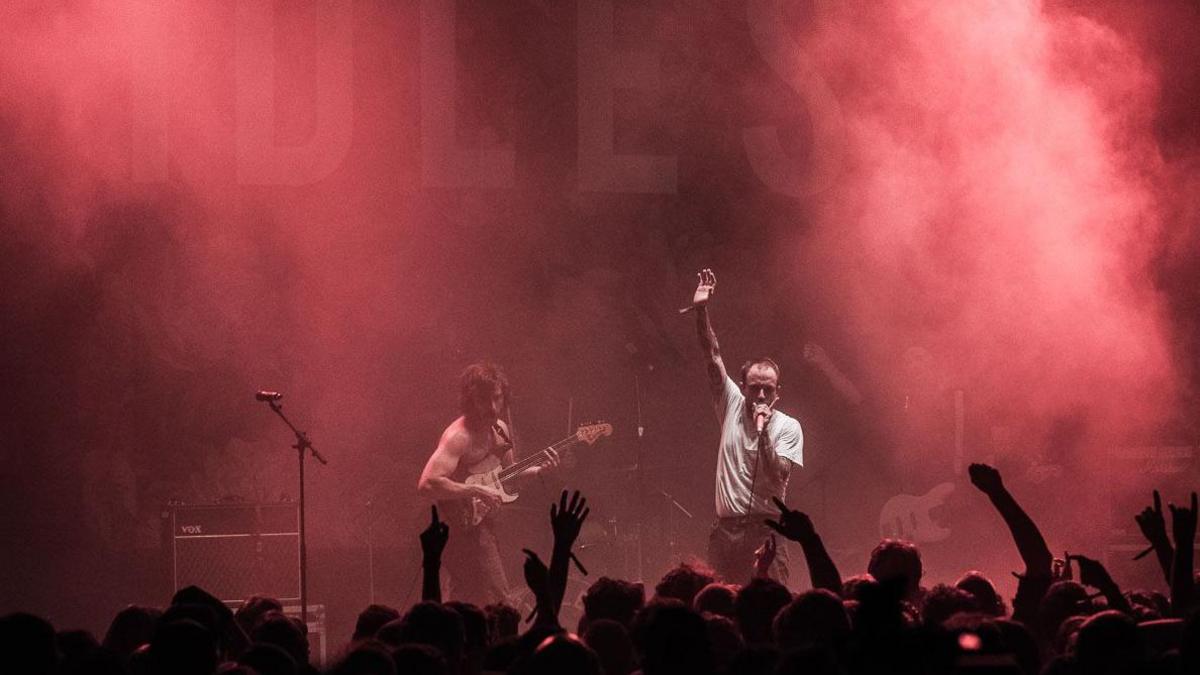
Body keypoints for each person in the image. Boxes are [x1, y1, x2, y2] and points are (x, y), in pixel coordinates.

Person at [689, 269, 803, 583]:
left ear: (778, 391)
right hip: (726, 532)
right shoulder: (731, 404)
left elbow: (778, 473)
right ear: (743, 386)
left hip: (766, 531)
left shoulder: (788, 427)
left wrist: (764, 430)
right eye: (755, 387)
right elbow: (711, 355)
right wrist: (701, 310)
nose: (762, 394)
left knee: (769, 606)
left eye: (768, 388)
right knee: (718, 605)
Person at [417, 362, 557, 604]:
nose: (492, 408)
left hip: (485, 523)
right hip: (457, 526)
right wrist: (474, 489)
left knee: (469, 599)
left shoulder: (500, 430)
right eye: (484, 401)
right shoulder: (458, 437)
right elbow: (427, 484)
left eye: (497, 398)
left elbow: (508, 479)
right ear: (471, 401)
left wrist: (536, 471)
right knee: (499, 599)